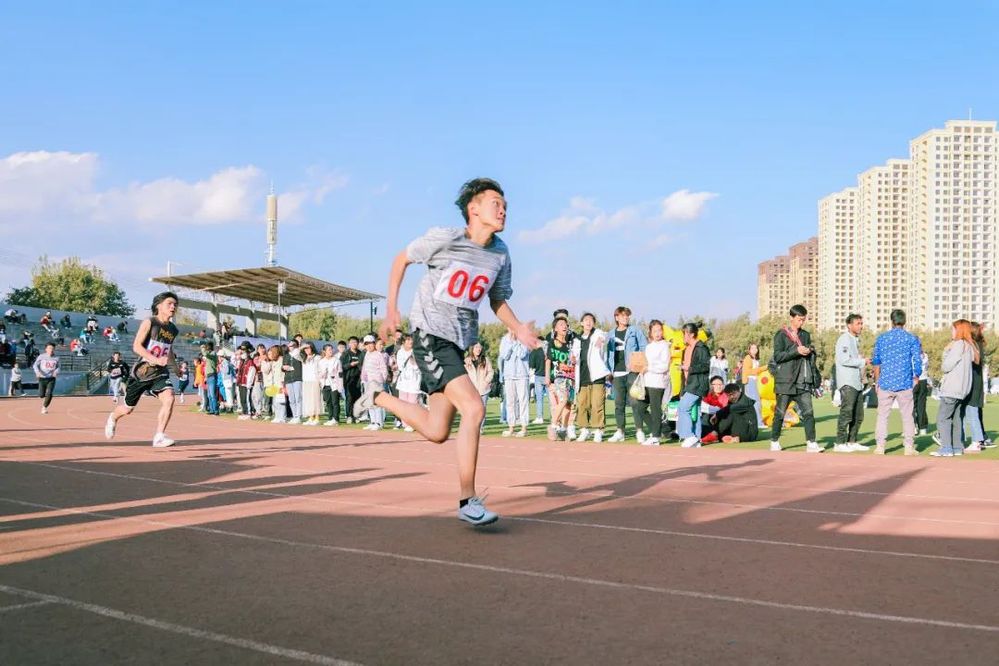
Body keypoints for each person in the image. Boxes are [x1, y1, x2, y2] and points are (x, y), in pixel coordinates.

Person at [360, 177, 537, 526]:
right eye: (496, 203)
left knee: (438, 430)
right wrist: (392, 310)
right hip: (430, 335)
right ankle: (468, 500)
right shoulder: (446, 238)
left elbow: (497, 299)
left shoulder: (500, 253)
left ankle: (376, 397)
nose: (503, 210)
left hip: (458, 343)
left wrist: (517, 328)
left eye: (505, 206)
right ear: (474, 208)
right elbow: (401, 259)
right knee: (474, 407)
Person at [104, 292, 180, 447]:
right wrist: (155, 359)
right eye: (169, 303)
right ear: (159, 306)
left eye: (175, 304)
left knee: (169, 398)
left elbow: (168, 349)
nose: (173, 307)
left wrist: (175, 368)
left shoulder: (173, 329)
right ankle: (113, 417)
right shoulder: (149, 322)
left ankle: (159, 436)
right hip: (141, 373)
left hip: (160, 373)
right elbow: (136, 346)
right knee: (127, 409)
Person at [769, 305, 822, 453]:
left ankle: (811, 442)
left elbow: (809, 356)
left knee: (808, 413)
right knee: (780, 413)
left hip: (802, 381)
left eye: (803, 320)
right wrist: (796, 351)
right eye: (799, 319)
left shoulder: (805, 335)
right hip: (785, 381)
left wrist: (809, 351)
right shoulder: (781, 335)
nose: (801, 322)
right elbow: (778, 356)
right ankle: (774, 441)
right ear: (791, 318)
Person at [871, 309, 922, 456]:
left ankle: (880, 446)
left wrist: (877, 381)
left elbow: (876, 361)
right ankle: (909, 446)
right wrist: (916, 376)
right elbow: (917, 360)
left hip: (885, 381)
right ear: (904, 321)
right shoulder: (911, 339)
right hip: (904, 382)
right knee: (907, 416)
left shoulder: (882, 338)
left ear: (891, 321)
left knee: (882, 416)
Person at [932, 320, 977, 457]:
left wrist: (946, 351)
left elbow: (946, 366)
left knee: (943, 418)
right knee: (957, 418)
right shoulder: (969, 346)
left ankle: (946, 448)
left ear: (959, 330)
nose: (951, 332)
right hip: (962, 390)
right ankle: (957, 447)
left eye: (953, 329)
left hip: (952, 388)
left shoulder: (958, 345)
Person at [605, 306, 648, 442]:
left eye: (627, 315)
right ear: (616, 317)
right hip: (617, 372)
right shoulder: (610, 334)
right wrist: (609, 371)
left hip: (632, 371)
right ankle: (620, 431)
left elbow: (644, 347)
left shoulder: (635, 330)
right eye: (623, 315)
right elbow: (608, 354)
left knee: (635, 402)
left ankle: (639, 430)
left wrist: (642, 365)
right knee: (619, 404)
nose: (626, 318)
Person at [571, 313, 610, 443]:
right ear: (581, 323)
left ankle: (598, 430)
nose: (588, 322)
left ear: (594, 323)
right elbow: (574, 356)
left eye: (591, 320)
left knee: (597, 404)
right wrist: (572, 358)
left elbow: (605, 336)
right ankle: (584, 430)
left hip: (597, 376)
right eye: (586, 320)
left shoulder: (598, 333)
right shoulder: (577, 340)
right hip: (582, 377)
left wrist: (601, 339)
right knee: (582, 405)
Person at [833, 314, 869, 453]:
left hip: (856, 382)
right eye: (858, 323)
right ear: (849, 325)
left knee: (858, 416)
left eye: (861, 323)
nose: (861, 326)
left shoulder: (855, 340)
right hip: (848, 382)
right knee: (846, 413)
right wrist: (862, 361)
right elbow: (843, 359)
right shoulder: (844, 339)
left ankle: (851, 441)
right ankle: (839, 443)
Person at [635, 320, 670, 446]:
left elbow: (664, 366)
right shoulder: (649, 347)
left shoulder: (664, 346)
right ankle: (659, 430)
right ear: (650, 332)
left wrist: (649, 368)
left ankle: (656, 436)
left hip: (658, 382)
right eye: (655, 331)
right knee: (640, 408)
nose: (657, 333)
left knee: (655, 410)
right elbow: (645, 363)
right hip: (646, 381)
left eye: (660, 330)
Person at [676, 322, 711, 448]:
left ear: (691, 334)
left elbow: (705, 366)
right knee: (695, 411)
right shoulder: (687, 349)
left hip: (697, 384)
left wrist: (689, 368)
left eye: (684, 334)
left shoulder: (701, 348)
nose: (683, 337)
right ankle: (696, 439)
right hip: (689, 384)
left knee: (683, 407)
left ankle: (689, 435)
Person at [544, 317, 575, 440]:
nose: (564, 326)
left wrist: (573, 362)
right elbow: (548, 360)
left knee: (568, 404)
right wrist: (547, 376)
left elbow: (572, 361)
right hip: (558, 376)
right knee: (563, 400)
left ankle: (563, 429)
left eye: (565, 324)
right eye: (561, 324)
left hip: (570, 377)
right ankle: (553, 425)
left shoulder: (569, 345)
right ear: (555, 328)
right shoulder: (552, 343)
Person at [499, 328, 531, 438]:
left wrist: (516, 342)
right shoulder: (504, 339)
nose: (512, 329)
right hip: (509, 375)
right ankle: (511, 427)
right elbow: (504, 355)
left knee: (523, 401)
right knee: (510, 402)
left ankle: (524, 428)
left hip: (522, 375)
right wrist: (511, 342)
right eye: (510, 327)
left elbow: (522, 354)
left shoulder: (524, 339)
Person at [962, 323, 988, 452]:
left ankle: (977, 441)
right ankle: (975, 440)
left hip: (973, 383)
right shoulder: (979, 343)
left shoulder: (974, 345)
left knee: (972, 413)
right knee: (969, 413)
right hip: (975, 383)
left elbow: (975, 361)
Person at [464, 342, 494, 432]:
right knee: (471, 409)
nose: (478, 349)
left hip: (484, 389)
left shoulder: (486, 360)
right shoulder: (467, 360)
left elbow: (491, 372)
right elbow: (464, 374)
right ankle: (471, 426)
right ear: (472, 349)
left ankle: (480, 428)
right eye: (476, 347)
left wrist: (486, 381)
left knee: (482, 409)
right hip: (472, 389)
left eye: (480, 347)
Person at [740, 343, 766, 428]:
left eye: (756, 348)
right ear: (749, 350)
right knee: (756, 402)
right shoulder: (748, 358)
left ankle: (753, 422)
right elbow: (748, 371)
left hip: (755, 381)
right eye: (752, 348)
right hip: (750, 381)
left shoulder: (756, 359)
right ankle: (759, 423)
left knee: (754, 402)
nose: (755, 350)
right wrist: (762, 368)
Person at [699, 376, 729, 444]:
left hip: (720, 420)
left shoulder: (726, 396)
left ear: (723, 385)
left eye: (720, 384)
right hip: (708, 421)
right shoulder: (707, 396)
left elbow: (724, 410)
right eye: (715, 384)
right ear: (711, 386)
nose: (718, 387)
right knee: (704, 415)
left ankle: (713, 435)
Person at [318, 343, 342, 426]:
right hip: (325, 384)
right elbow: (318, 373)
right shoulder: (321, 362)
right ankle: (330, 418)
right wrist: (322, 374)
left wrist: (340, 385)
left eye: (332, 349)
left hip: (334, 384)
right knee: (328, 402)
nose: (331, 351)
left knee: (335, 402)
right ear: (324, 351)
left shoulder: (336, 360)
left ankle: (336, 419)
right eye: (329, 350)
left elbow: (340, 373)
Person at [32, 341, 60, 414]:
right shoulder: (41, 356)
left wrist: (56, 372)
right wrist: (37, 372)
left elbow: (59, 367)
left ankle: (44, 407)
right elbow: (35, 365)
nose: (51, 350)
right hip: (42, 378)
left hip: (51, 378)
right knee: (41, 395)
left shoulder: (56, 358)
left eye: (53, 348)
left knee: (49, 393)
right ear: (46, 349)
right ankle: (42, 395)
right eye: (49, 348)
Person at [340, 336, 363, 423]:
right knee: (349, 398)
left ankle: (356, 416)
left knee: (357, 398)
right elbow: (341, 366)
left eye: (355, 342)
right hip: (348, 379)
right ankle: (349, 416)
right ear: (349, 344)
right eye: (352, 342)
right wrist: (350, 364)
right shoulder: (345, 354)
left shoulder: (360, 353)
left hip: (358, 379)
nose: (354, 344)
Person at [300, 342, 322, 425]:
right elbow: (295, 354)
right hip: (306, 381)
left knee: (316, 399)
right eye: (305, 349)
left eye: (308, 348)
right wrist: (302, 347)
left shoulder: (317, 357)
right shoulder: (304, 358)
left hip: (315, 380)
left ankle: (317, 418)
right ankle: (310, 417)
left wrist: (319, 380)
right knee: (308, 400)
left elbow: (321, 369)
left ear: (312, 348)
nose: (306, 350)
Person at [283, 339, 304, 424]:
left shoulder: (299, 354)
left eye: (291, 345)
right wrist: (283, 367)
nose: (289, 347)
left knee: (298, 397)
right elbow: (283, 366)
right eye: (289, 345)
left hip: (297, 378)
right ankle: (294, 416)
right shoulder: (286, 355)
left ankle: (299, 416)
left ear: (295, 346)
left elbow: (301, 360)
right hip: (288, 378)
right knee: (291, 399)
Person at [528, 338, 548, 424]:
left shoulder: (534, 352)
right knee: (551, 399)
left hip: (539, 376)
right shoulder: (548, 350)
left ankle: (540, 417)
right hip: (548, 376)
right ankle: (554, 417)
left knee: (539, 398)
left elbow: (532, 365)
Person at [913, 350, 930, 435]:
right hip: (923, 380)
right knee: (921, 405)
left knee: (911, 405)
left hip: (913, 380)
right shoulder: (925, 355)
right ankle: (923, 427)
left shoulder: (911, 354)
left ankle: (913, 427)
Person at [201, 342, 220, 415]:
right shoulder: (209, 354)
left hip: (212, 375)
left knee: (212, 394)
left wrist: (203, 348)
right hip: (208, 376)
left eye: (207, 346)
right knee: (209, 395)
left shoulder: (213, 353)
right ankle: (212, 410)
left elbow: (205, 354)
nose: (206, 348)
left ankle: (216, 410)